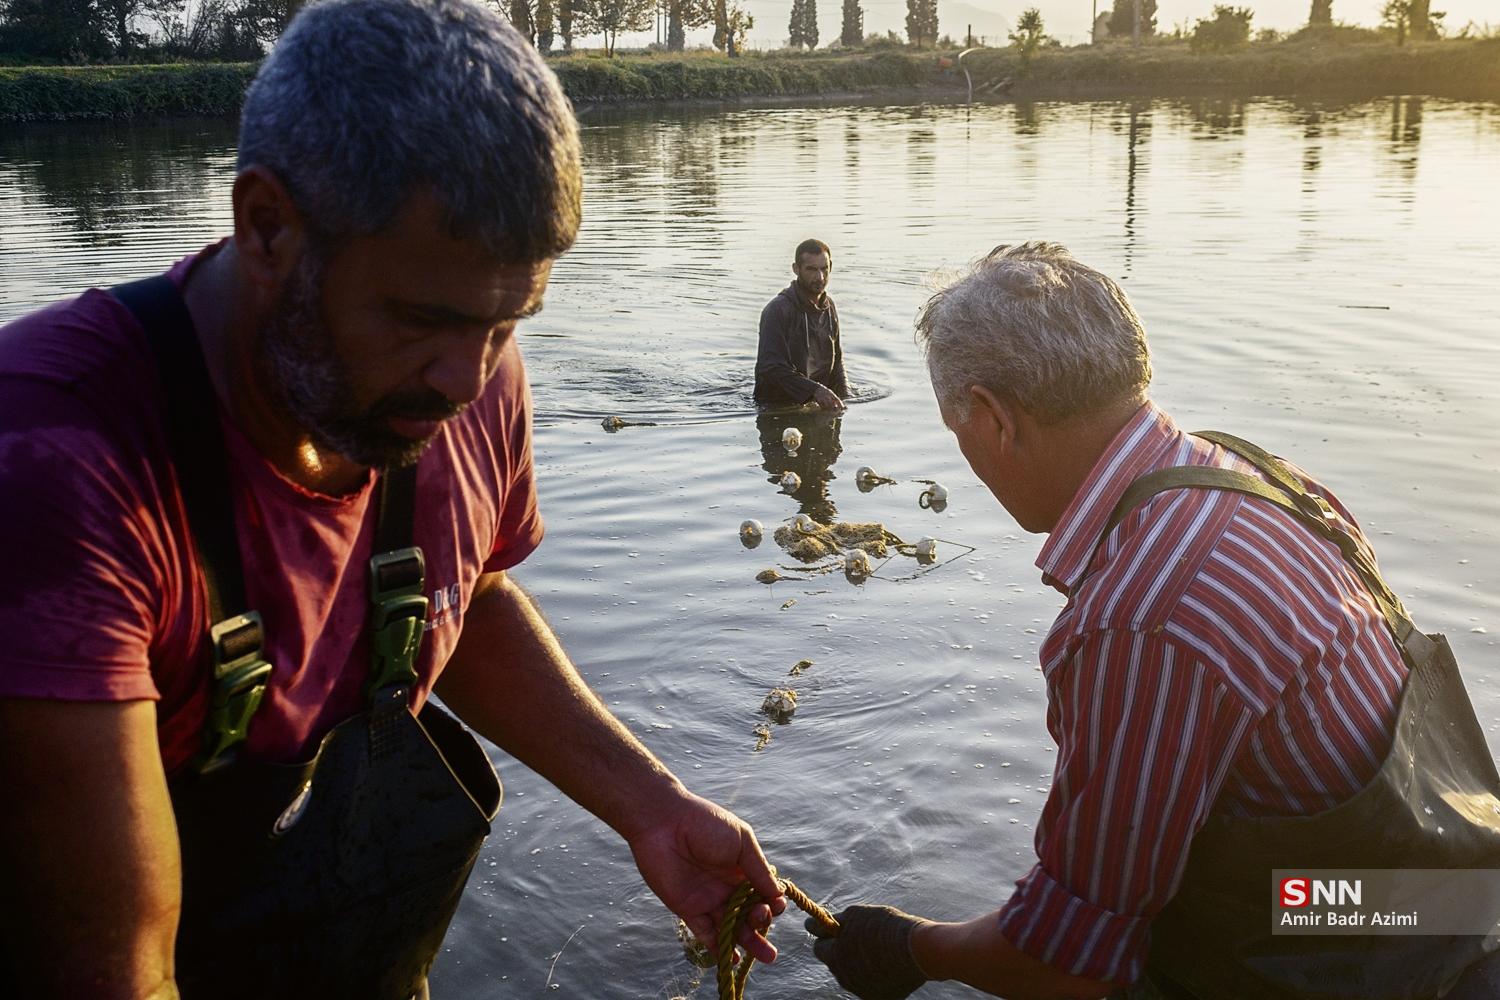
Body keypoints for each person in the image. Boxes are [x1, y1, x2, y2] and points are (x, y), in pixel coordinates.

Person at [0, 3, 783, 998]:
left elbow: (461, 595)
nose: (468, 379)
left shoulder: (462, 374)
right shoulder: (54, 459)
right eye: (426, 317)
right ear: (267, 225)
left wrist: (652, 805)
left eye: (511, 320)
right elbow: (110, 972)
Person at [805, 242, 1500, 1000]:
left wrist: (912, 949)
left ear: (997, 420)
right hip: (1447, 903)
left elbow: (1066, 965)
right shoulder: (1259, 474)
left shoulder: (1140, 620)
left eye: (958, 431)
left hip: (1386, 973)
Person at [754, 238, 849, 411]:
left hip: (818, 400)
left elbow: (837, 361)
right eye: (811, 269)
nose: (819, 277)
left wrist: (845, 396)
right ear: (796, 269)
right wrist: (816, 391)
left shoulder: (829, 307)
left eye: (824, 269)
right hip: (777, 405)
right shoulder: (777, 310)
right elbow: (771, 367)